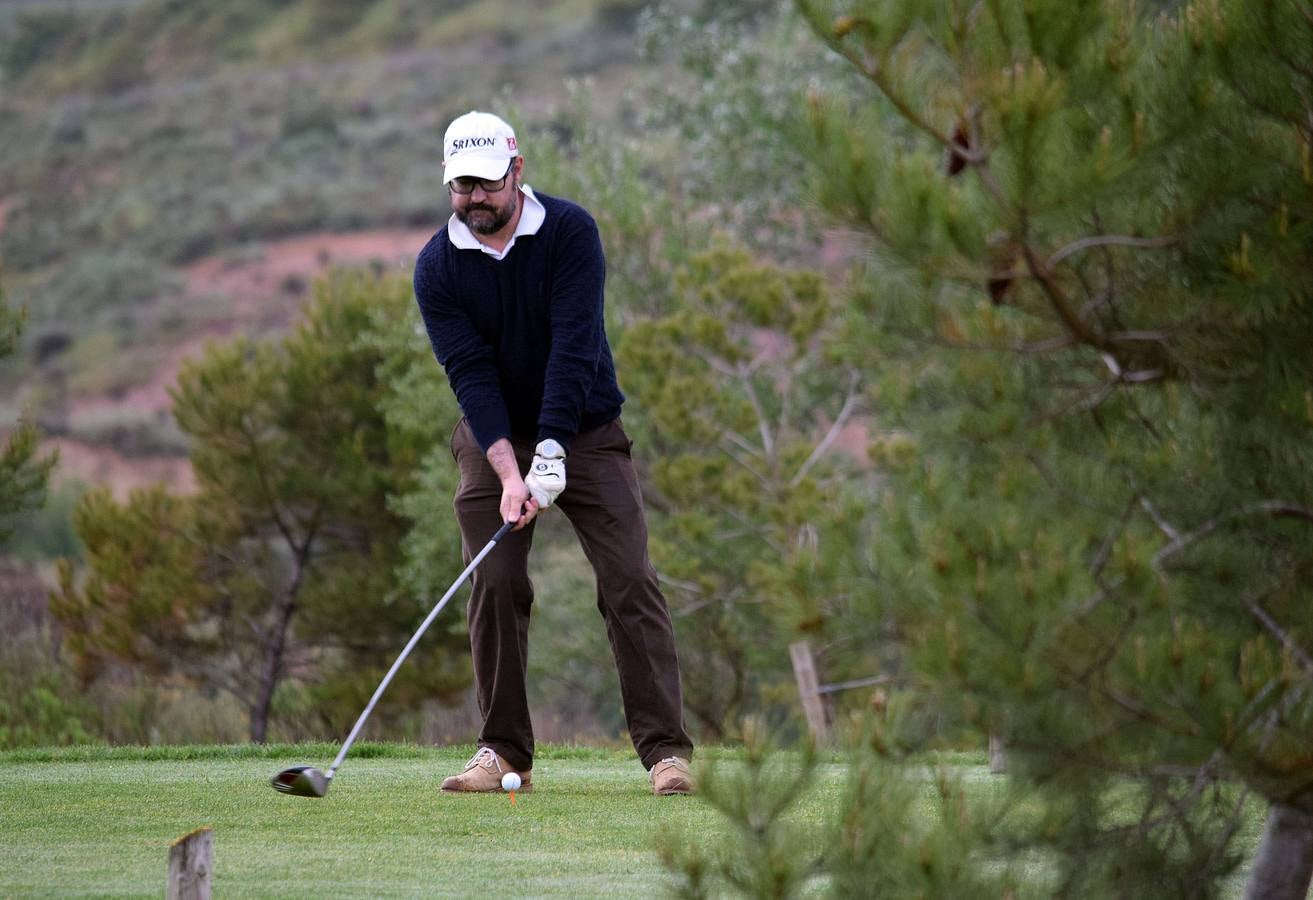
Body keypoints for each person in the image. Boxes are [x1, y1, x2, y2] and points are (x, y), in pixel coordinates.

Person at [413, 110, 695, 796]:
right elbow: (470, 377)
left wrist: (552, 454)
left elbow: (574, 348)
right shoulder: (436, 266)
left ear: (517, 171)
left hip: (589, 428)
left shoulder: (569, 231)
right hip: (493, 437)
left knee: (629, 580)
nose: (474, 198)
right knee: (496, 581)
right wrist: (512, 472)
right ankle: (503, 751)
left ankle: (665, 754)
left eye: (485, 183)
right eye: (461, 186)